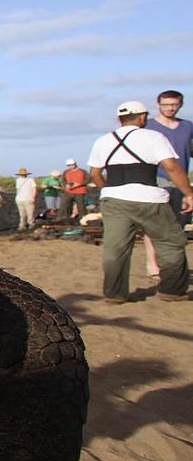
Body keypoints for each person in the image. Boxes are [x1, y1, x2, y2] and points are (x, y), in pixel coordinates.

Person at [87, 101, 193, 303]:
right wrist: (188, 193)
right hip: (150, 198)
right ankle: (171, 290)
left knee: (115, 248)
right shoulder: (153, 137)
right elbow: (171, 167)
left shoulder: (103, 140)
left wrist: (107, 190)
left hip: (114, 199)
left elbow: (95, 173)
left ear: (119, 119)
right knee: (170, 243)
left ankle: (115, 294)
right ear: (143, 117)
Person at [144, 90, 193, 280]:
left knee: (177, 224)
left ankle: (171, 265)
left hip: (180, 179)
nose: (170, 108)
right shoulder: (148, 126)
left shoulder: (187, 126)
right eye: (166, 104)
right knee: (154, 224)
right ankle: (152, 263)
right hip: (155, 178)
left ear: (180, 104)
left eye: (173, 104)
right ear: (158, 104)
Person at [59, 158, 88, 223]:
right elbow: (63, 180)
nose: (70, 166)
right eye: (68, 165)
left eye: (71, 165)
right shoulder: (65, 172)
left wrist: (79, 184)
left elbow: (88, 179)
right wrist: (65, 185)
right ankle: (66, 220)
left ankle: (83, 220)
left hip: (80, 191)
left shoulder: (82, 171)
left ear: (75, 164)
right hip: (69, 191)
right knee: (66, 205)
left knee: (81, 206)